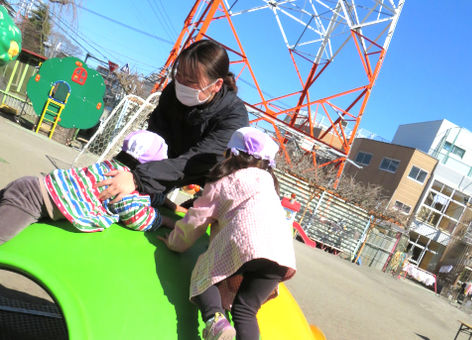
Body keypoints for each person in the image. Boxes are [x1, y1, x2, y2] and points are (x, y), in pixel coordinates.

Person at [158, 127, 297, 340]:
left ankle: (216, 321)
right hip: (281, 255)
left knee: (204, 274)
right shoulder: (269, 185)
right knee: (246, 309)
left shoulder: (224, 181)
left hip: (245, 247)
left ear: (230, 154)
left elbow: (197, 220)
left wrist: (175, 243)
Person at [96, 39, 249, 203]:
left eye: (190, 81)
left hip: (210, 177)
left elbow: (196, 161)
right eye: (178, 74)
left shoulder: (234, 116)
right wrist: (125, 175)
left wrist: (136, 179)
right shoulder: (172, 91)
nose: (181, 84)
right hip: (171, 165)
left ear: (217, 85)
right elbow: (154, 140)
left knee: (201, 214)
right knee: (113, 185)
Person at [0, 130, 174, 244]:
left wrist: (166, 202)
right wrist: (164, 220)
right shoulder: (124, 187)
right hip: (30, 200)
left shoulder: (111, 167)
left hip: (31, 187)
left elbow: (147, 194)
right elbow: (135, 217)